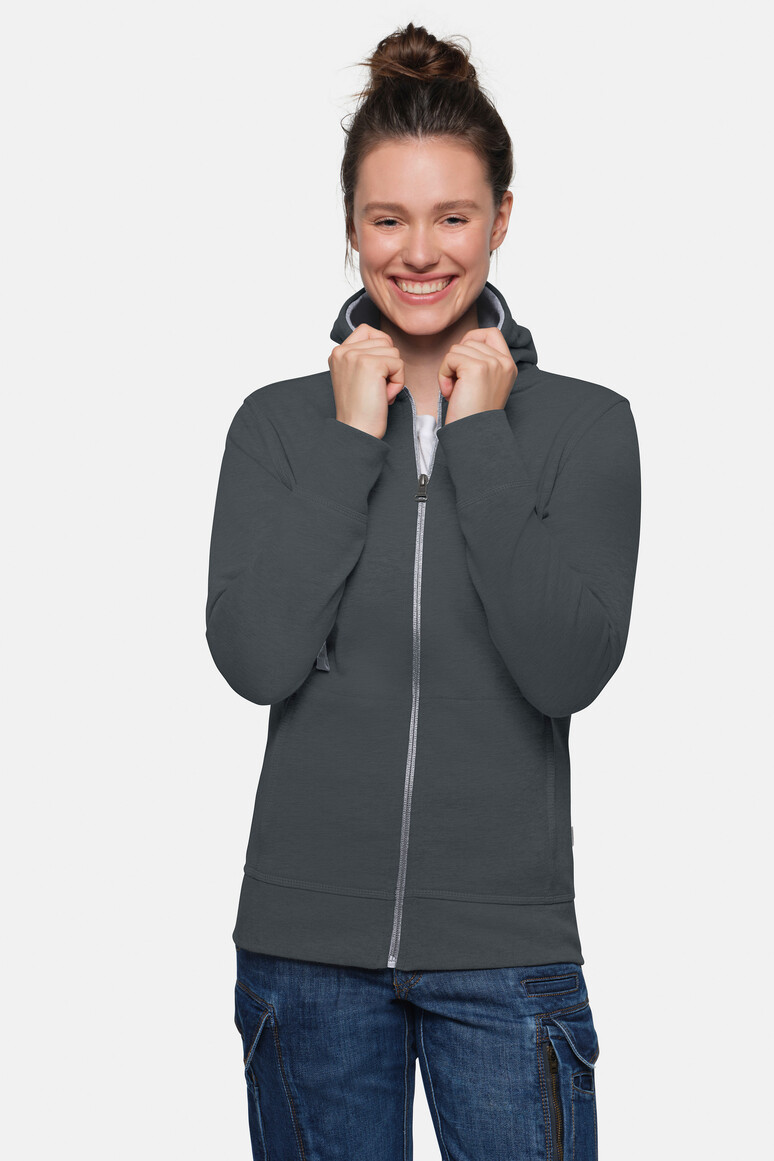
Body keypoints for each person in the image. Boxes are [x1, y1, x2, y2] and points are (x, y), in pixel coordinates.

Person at [205, 22, 641, 1161]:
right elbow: (254, 656)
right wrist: (353, 441)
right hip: (304, 952)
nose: (420, 252)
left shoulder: (585, 426)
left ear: (502, 218)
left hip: (504, 953)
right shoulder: (279, 426)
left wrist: (483, 435)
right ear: (350, 227)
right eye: (387, 218)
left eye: (453, 216)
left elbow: (565, 668)